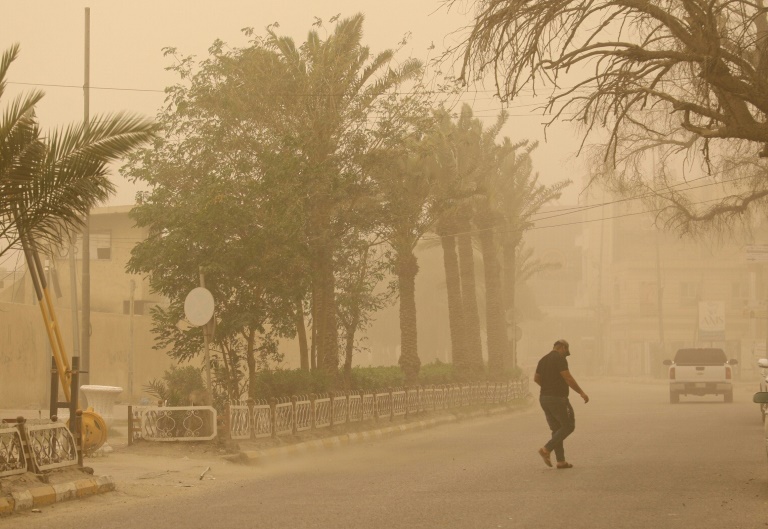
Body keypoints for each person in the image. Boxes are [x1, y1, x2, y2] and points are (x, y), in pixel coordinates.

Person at [534, 339, 589, 469]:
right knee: (569, 426)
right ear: (562, 347)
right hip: (558, 399)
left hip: (544, 399)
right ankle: (546, 449)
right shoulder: (559, 358)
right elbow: (568, 377)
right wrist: (581, 392)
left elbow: (536, 378)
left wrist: (547, 387)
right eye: (566, 351)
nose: (566, 354)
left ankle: (561, 461)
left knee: (557, 429)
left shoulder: (543, 359)